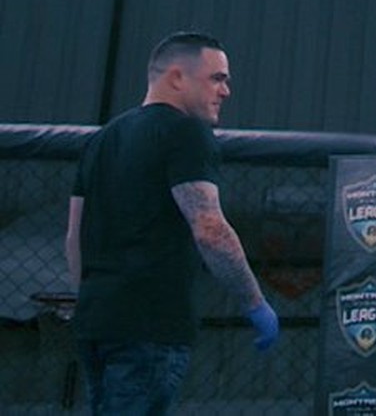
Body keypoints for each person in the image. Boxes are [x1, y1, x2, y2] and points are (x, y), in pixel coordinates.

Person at [67, 31, 278, 413]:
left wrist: (90, 301)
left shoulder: (102, 138)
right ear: (178, 77)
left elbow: (74, 236)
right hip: (149, 327)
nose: (226, 91)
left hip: (97, 321)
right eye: (217, 78)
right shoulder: (186, 132)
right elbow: (211, 230)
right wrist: (255, 302)